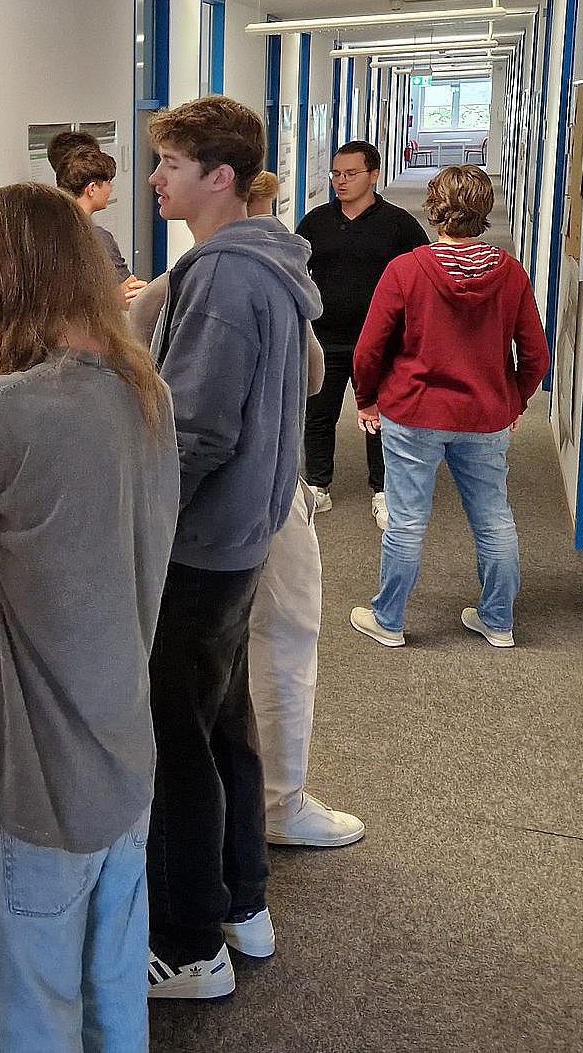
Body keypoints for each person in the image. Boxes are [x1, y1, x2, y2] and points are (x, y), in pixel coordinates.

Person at [0, 181, 178, 1051]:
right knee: (111, 992)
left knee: (19, 1009)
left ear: (9, 282)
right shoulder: (144, 388)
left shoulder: (6, 408)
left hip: (33, 767)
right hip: (123, 746)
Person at [142, 96, 322, 999]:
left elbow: (195, 433)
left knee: (175, 740)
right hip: (238, 541)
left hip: (200, 547)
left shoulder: (221, 277)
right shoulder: (266, 263)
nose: (153, 180)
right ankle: (243, 900)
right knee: (221, 726)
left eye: (169, 166)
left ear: (219, 177)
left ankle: (186, 946)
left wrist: (135, 523)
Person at [131, 170, 365, 850]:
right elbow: (312, 377)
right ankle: (269, 808)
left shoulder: (200, 278)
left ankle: (260, 811)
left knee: (231, 661)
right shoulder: (231, 277)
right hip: (250, 494)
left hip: (232, 498)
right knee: (250, 657)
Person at [350, 165, 550, 650]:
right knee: (493, 517)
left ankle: (390, 620)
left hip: (414, 411)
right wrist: (514, 400)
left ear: (435, 209)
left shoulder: (407, 269)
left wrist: (367, 399)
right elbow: (537, 354)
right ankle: (498, 621)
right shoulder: (509, 272)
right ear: (483, 211)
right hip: (484, 415)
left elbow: (369, 348)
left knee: (407, 519)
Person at [296, 139, 431, 528]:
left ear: (373, 175)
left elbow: (420, 277)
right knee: (318, 415)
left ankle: (383, 489)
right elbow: (297, 270)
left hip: (381, 342)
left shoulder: (399, 224)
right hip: (325, 337)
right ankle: (318, 485)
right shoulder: (317, 221)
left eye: (351, 174)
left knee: (379, 417)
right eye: (336, 174)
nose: (341, 181)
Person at [48, 129, 148, 302]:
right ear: (92, 188)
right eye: (108, 182)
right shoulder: (96, 238)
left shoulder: (41, 227)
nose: (111, 189)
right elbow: (128, 295)